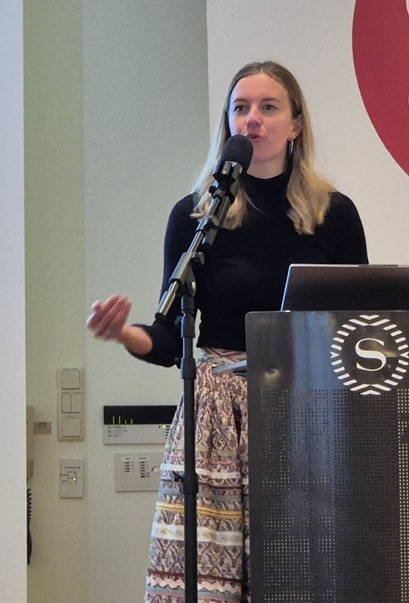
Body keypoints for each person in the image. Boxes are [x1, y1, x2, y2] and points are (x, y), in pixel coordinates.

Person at [87, 60, 368, 603]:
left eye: (268, 107)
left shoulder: (334, 215)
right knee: (206, 581)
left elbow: (357, 325)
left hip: (304, 410)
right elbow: (169, 338)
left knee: (301, 574)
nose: (252, 119)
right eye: (240, 108)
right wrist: (124, 333)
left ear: (296, 125)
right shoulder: (196, 216)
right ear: (228, 124)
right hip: (216, 415)